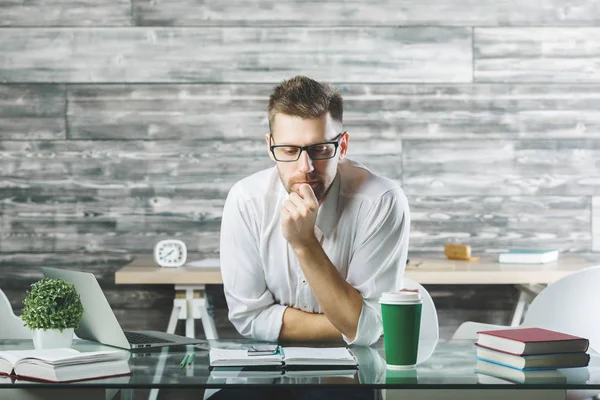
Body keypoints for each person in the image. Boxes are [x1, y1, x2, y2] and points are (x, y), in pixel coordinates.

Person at [212, 75, 410, 400]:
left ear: (342, 145)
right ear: (270, 147)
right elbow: (248, 318)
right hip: (269, 371)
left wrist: (304, 243)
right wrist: (347, 320)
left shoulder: (381, 201)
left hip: (355, 374)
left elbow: (367, 330)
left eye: (319, 149)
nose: (305, 167)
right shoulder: (246, 200)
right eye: (289, 150)